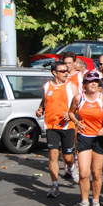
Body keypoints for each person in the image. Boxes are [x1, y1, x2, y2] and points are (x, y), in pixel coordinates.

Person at [68, 71, 103, 206]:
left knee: (96, 173)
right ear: (85, 84)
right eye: (90, 81)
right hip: (83, 138)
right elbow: (70, 112)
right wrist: (76, 122)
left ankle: (96, 202)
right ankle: (84, 203)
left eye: (96, 81)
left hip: (99, 139)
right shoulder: (78, 98)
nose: (94, 83)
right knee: (83, 173)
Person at [36, 61, 80, 198]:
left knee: (67, 157)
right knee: (53, 155)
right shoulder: (46, 86)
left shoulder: (71, 87)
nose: (66, 73)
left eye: (66, 70)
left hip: (67, 126)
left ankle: (72, 167)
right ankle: (55, 185)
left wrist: (70, 113)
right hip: (51, 126)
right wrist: (40, 109)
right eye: (62, 71)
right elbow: (44, 101)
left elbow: (79, 104)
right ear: (54, 72)